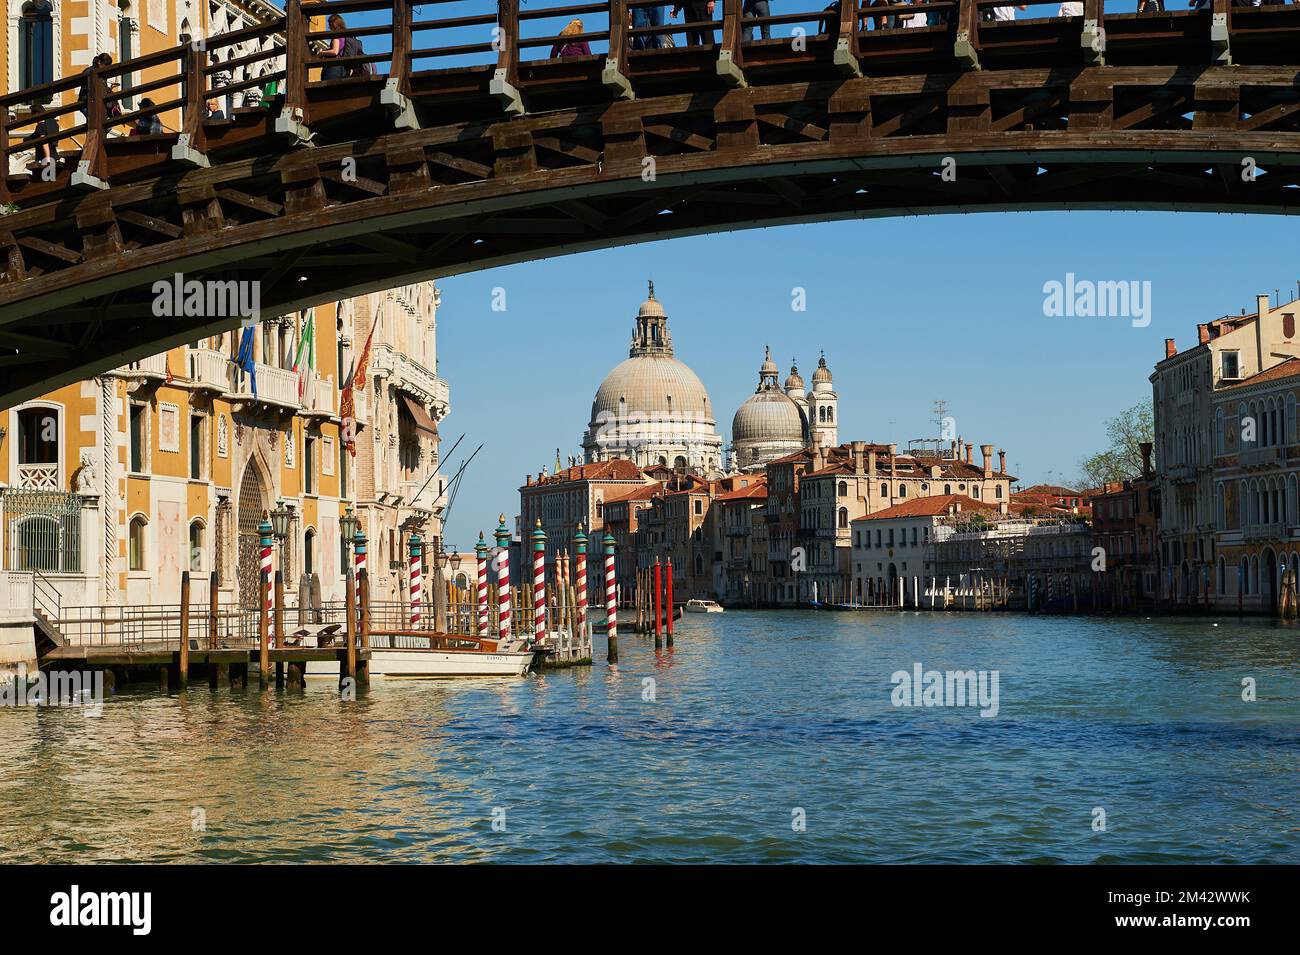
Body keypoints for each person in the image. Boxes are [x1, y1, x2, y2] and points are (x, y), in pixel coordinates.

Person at [319, 14, 348, 80]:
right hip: (343, 69)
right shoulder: (345, 36)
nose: (329, 27)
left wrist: (322, 52)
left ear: (334, 24)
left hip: (334, 68)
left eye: (329, 24)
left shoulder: (336, 35)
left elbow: (335, 51)